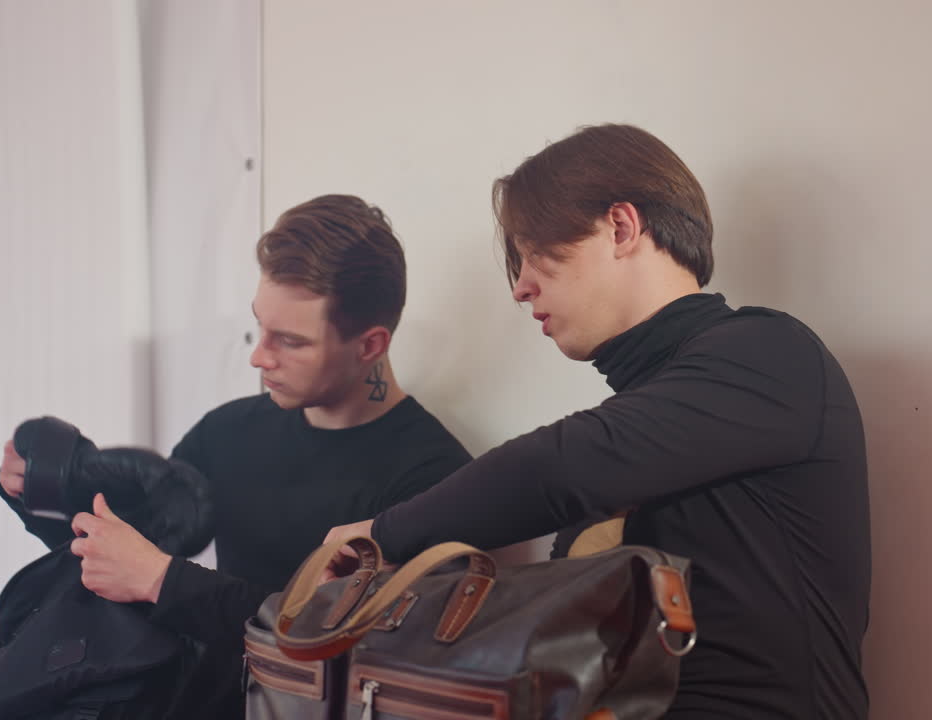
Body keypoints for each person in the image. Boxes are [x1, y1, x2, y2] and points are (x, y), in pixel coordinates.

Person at [323, 125, 871, 719]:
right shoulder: (649, 416)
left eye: (534, 253)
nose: (520, 286)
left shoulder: (770, 353)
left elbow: (556, 467)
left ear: (621, 227)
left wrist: (383, 533)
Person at [0, 194, 473, 718]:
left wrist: (163, 580)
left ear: (369, 345)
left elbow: (353, 647)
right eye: (259, 327)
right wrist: (44, 491)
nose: (259, 356)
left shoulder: (435, 480)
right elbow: (126, 557)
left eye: (289, 341)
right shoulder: (227, 430)